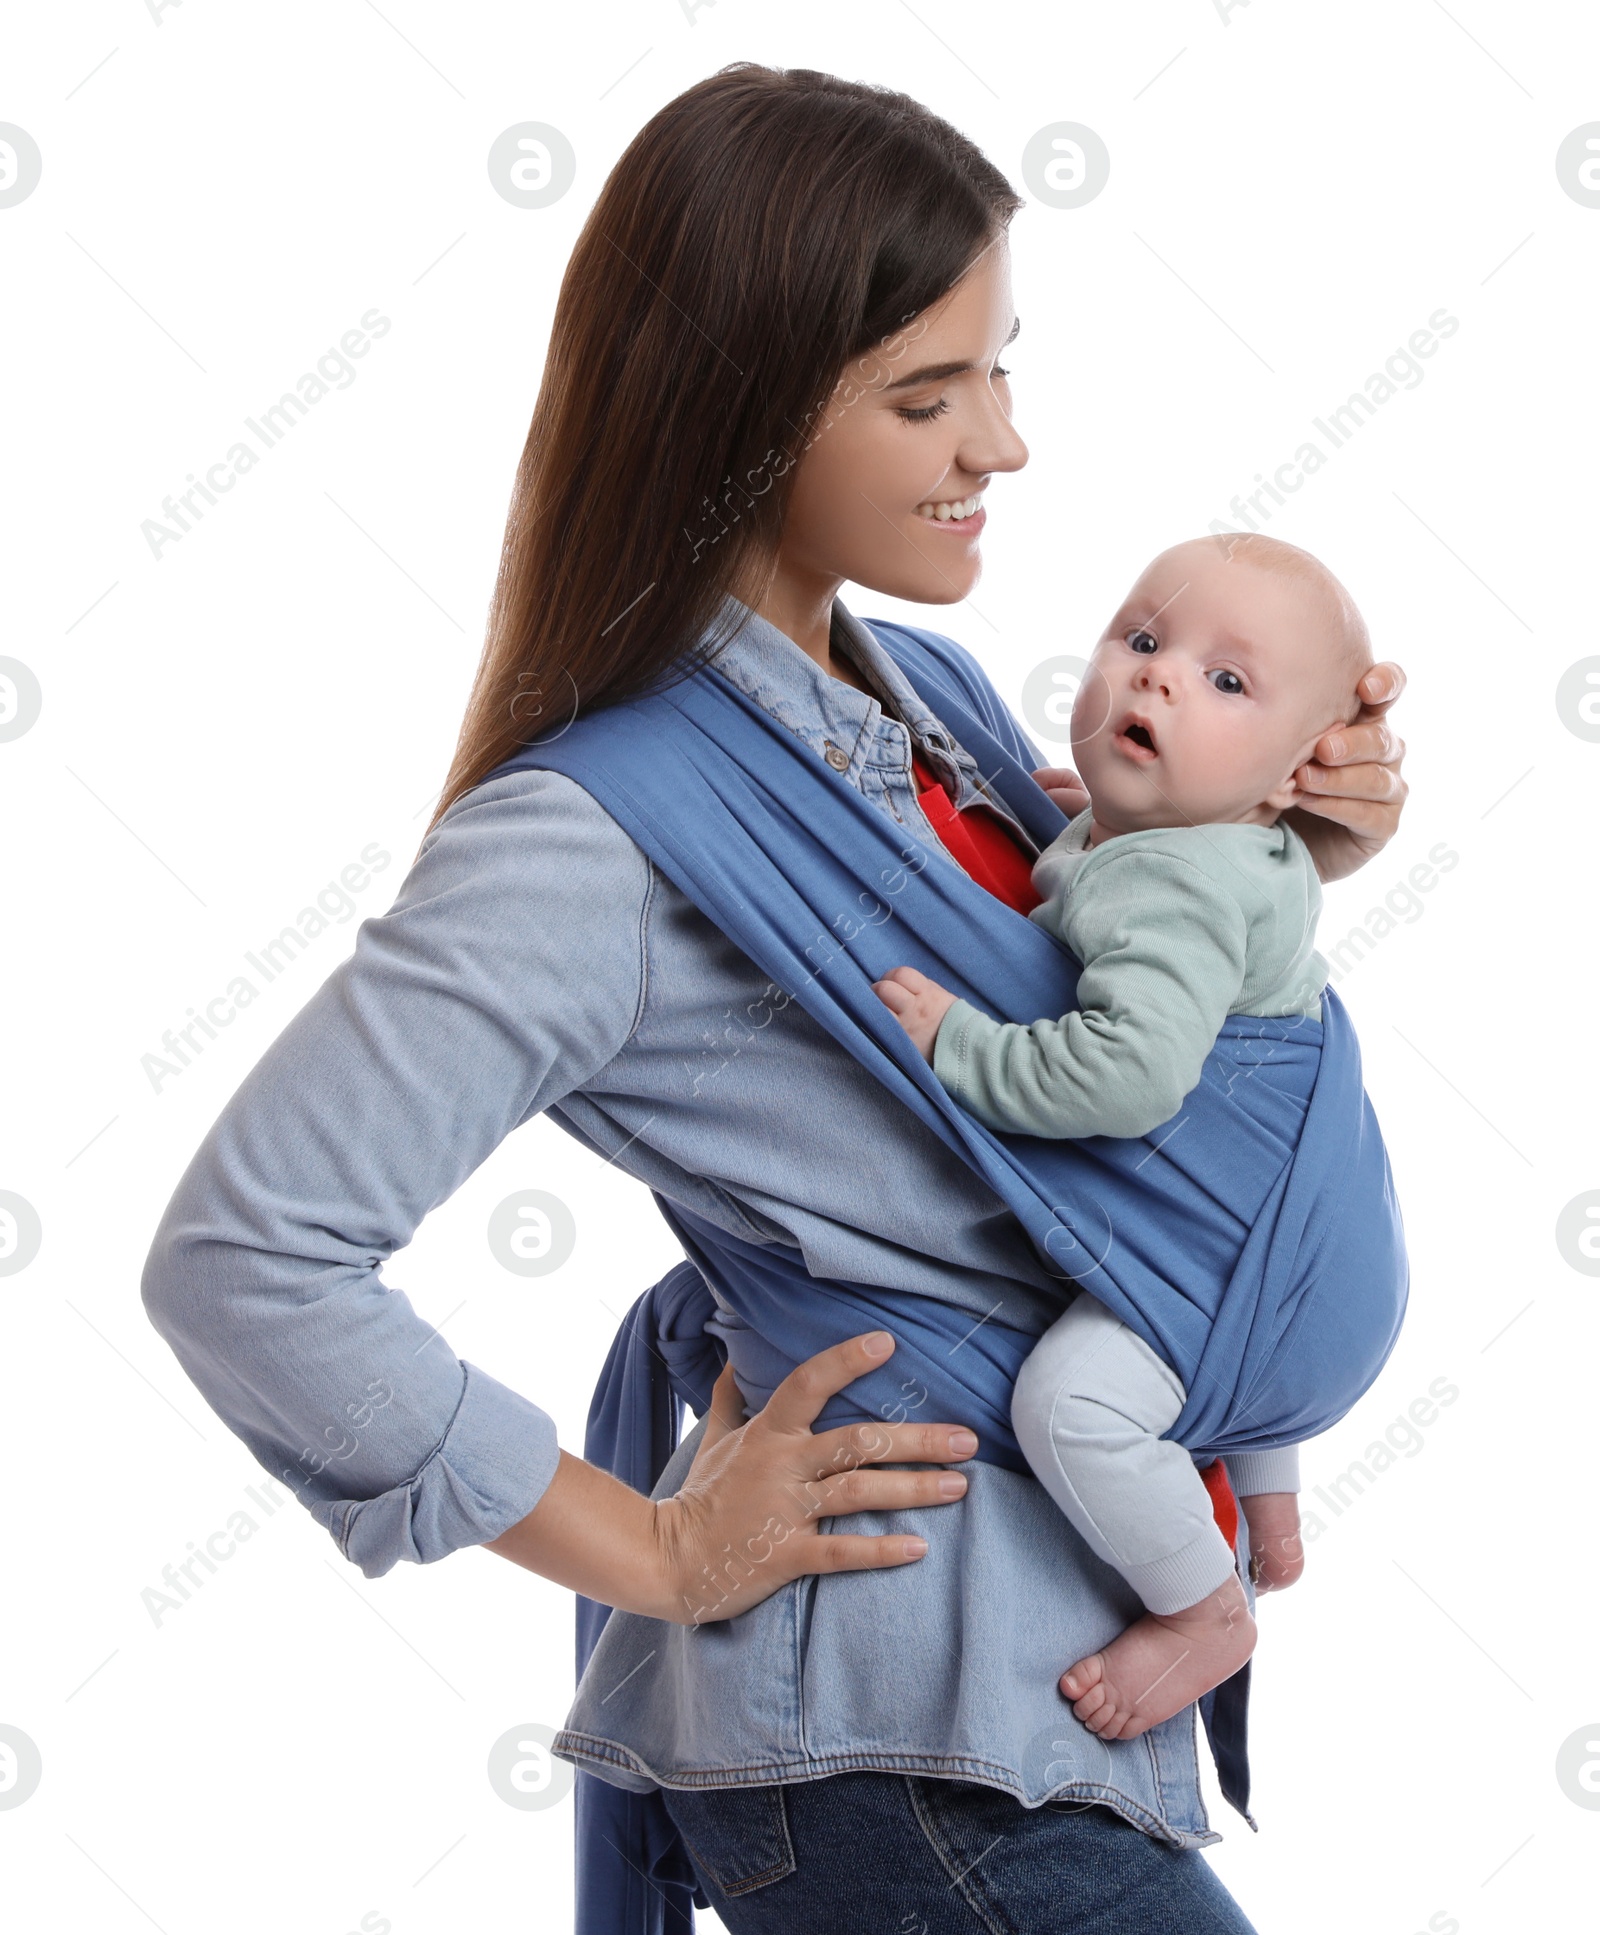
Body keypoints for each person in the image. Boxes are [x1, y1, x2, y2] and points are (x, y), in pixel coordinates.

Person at [140, 65, 1409, 1934]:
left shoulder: (947, 724)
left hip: (1035, 1715)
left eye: (1003, 369)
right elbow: (244, 1262)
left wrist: (1302, 833)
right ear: (739, 412)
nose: (1004, 446)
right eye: (927, 395)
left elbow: (1134, 1061)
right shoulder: (589, 841)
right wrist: (651, 1541)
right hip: (900, 1739)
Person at [874, 532, 1382, 1746]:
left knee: (1070, 1406)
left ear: (1289, 783)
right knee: (1209, 1264)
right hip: (1322, 1265)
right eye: (1143, 639)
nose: (1156, 678)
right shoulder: (1220, 847)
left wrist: (965, 1048)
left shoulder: (1171, 883)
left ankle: (1206, 1607)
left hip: (1258, 1286)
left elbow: (1133, 1075)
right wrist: (1091, 811)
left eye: (1225, 682)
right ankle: (1270, 1509)